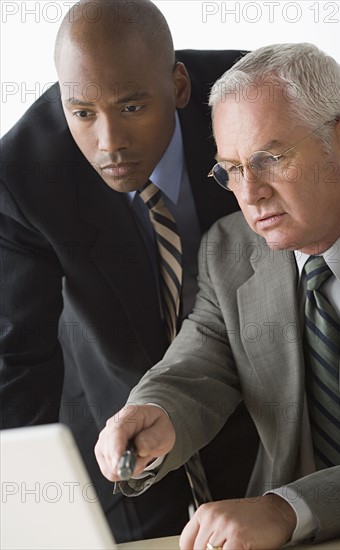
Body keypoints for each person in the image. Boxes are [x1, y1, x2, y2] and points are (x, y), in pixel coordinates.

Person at [0, 0, 260, 543]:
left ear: (181, 87)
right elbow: (17, 362)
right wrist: (29, 507)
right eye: (83, 113)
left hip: (263, 400)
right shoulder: (23, 175)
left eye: (133, 106)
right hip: (117, 425)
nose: (109, 143)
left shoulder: (251, 100)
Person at [95, 43, 340, 549]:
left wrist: (288, 508)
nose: (250, 193)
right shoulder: (230, 248)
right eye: (232, 169)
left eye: (271, 159)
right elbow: (200, 364)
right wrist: (155, 413)